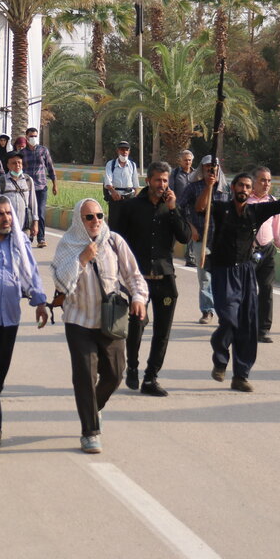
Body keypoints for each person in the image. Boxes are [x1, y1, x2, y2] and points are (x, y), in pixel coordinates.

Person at [199, 166, 280, 392]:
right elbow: (201, 208)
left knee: (248, 325)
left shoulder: (256, 212)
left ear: (251, 191)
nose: (244, 189)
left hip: (246, 272)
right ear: (233, 188)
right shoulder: (221, 209)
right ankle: (220, 360)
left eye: (248, 186)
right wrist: (208, 186)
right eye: (240, 185)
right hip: (223, 271)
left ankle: (241, 375)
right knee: (229, 319)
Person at [51, 199, 148, 454]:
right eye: (89, 217)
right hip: (78, 321)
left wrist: (139, 298)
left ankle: (94, 407)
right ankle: (90, 431)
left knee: (116, 374)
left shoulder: (114, 241)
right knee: (84, 376)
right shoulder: (68, 245)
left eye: (99, 216)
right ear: (78, 220)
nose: (95, 222)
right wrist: (81, 260)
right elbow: (61, 284)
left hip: (110, 320)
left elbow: (133, 275)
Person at [0, 196, 47, 446]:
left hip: (10, 318)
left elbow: (30, 272)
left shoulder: (20, 241)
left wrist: (40, 301)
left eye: (8, 214)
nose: (5, 219)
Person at [116, 161, 191, 397]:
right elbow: (116, 241)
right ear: (148, 180)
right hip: (138, 280)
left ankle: (151, 377)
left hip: (165, 278)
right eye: (158, 180)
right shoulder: (130, 207)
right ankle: (133, 367)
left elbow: (185, 236)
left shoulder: (171, 208)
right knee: (137, 326)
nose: (162, 185)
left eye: (165, 180)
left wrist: (173, 209)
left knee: (162, 331)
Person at [248, 167, 280, 343]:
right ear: (254, 181)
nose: (266, 184)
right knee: (247, 291)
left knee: (266, 289)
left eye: (268, 180)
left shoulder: (273, 202)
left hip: (267, 252)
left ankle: (263, 329)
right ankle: (244, 324)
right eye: (262, 180)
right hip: (247, 253)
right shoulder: (245, 201)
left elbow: (279, 230)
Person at [179, 156, 227, 323]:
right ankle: (207, 310)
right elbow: (180, 208)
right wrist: (190, 227)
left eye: (213, 167)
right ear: (202, 168)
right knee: (205, 276)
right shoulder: (193, 187)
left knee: (221, 275)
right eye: (207, 167)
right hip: (201, 237)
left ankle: (223, 310)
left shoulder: (226, 189)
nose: (210, 170)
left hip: (221, 240)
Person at [0, 152, 38, 242]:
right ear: (8, 165)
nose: (17, 165)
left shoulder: (28, 180)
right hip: (6, 227)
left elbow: (33, 203)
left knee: (24, 253)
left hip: (25, 227)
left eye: (19, 163)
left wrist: (35, 222)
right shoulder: (1, 181)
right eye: (14, 163)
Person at [102, 140, 139, 230]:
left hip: (129, 199)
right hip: (115, 199)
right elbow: (108, 181)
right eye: (122, 149)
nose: (124, 152)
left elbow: (135, 184)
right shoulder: (111, 164)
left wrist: (135, 198)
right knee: (114, 225)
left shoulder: (132, 165)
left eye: (126, 150)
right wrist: (113, 192)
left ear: (129, 151)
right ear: (118, 151)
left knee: (128, 225)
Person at [170, 151, 195, 265]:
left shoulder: (196, 174)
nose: (188, 162)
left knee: (191, 232)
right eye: (185, 160)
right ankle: (168, 254)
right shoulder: (174, 174)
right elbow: (170, 190)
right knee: (174, 232)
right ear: (180, 161)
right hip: (178, 208)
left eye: (189, 160)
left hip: (192, 209)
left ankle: (190, 258)